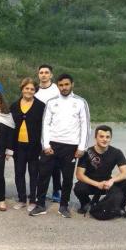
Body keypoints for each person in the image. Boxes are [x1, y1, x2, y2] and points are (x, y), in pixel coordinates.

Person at [30, 73, 90, 218]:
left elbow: (85, 126)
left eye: (66, 84)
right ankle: (40, 204)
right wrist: (46, 145)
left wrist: (82, 147)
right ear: (58, 86)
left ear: (72, 84)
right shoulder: (51, 102)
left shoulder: (81, 102)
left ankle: (64, 206)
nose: (64, 88)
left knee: (67, 178)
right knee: (43, 175)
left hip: (71, 146)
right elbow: (45, 124)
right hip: (52, 145)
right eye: (61, 85)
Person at [74, 125, 126, 219]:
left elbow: (125, 173)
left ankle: (121, 207)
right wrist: (97, 184)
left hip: (107, 184)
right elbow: (79, 175)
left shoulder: (116, 152)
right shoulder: (87, 152)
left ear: (110, 138)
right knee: (79, 187)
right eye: (101, 136)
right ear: (95, 138)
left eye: (107, 137)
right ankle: (86, 203)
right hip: (91, 183)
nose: (105, 139)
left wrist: (112, 181)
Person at [10, 78, 45, 211]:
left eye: (32, 89)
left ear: (35, 90)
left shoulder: (41, 106)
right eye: (26, 88)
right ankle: (21, 198)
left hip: (34, 145)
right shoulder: (14, 105)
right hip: (18, 145)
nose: (29, 91)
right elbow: (10, 126)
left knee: (33, 173)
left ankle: (33, 199)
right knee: (19, 172)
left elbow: (44, 126)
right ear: (22, 89)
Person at [35, 64, 62, 202]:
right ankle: (40, 191)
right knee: (41, 163)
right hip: (37, 130)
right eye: (41, 72)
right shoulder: (34, 90)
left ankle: (57, 190)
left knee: (54, 163)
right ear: (38, 75)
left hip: (53, 131)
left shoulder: (56, 89)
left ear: (51, 75)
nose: (44, 75)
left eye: (46, 72)